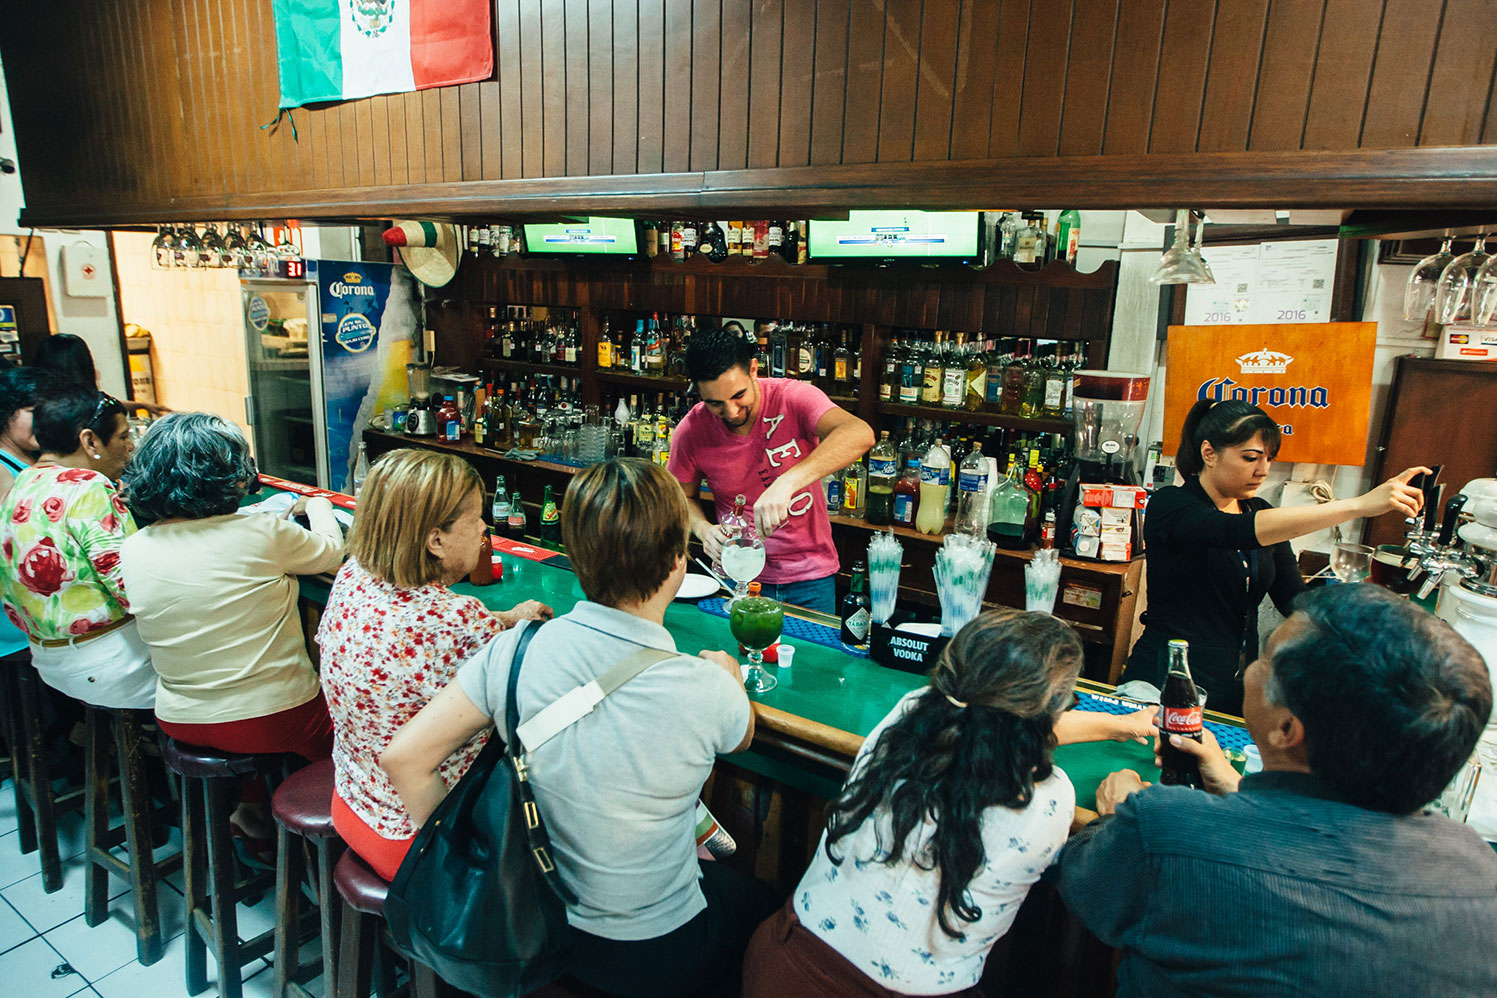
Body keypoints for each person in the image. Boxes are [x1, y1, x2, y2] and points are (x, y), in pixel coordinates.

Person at [383, 458, 775, 997]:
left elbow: (404, 759)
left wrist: (476, 867)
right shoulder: (703, 688)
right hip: (654, 951)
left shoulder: (514, 650)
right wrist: (728, 677)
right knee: (770, 912)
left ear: (574, 556)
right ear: (679, 561)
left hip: (537, 926)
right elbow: (744, 734)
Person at [1058, 584, 1497, 997]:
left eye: (1264, 657)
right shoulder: (1480, 868)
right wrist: (1238, 788)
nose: (1251, 667)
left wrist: (1118, 811)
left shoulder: (1163, 831)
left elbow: (1083, 888)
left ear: (1287, 729)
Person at [743, 610, 1083, 998]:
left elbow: (990, 721)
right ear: (1050, 711)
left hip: (784, 964)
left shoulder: (911, 713)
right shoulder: (1051, 797)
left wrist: (1120, 725)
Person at [317, 449, 551, 881]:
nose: (485, 529)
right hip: (419, 837)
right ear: (436, 540)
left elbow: (428, 636)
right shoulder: (454, 620)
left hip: (352, 804)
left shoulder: (355, 575)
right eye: (477, 519)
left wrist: (504, 618)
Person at [1122, 398, 1427, 715]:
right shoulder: (1171, 505)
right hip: (1166, 680)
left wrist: (1362, 596)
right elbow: (1233, 531)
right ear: (1208, 453)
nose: (1263, 470)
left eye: (1269, 459)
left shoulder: (1260, 512)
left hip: (1234, 686)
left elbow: (1295, 601)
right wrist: (1359, 505)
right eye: (1251, 458)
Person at [119, 412, 345, 760]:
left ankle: (248, 807)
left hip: (178, 719)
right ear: (229, 475)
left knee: (244, 742)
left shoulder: (133, 546)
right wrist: (317, 504)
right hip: (271, 718)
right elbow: (331, 553)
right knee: (348, 736)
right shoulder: (261, 534)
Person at [668, 325, 875, 613]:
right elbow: (680, 495)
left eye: (738, 395)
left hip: (809, 575)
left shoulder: (792, 397)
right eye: (715, 403)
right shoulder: (692, 430)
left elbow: (860, 433)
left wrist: (787, 482)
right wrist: (703, 529)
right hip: (739, 575)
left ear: (753, 369)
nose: (731, 412)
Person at [0, 384, 155, 707]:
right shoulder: (89, 486)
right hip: (111, 665)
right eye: (124, 436)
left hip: (49, 659)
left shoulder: (22, 482)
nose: (130, 447)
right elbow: (132, 590)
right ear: (89, 440)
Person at [33, 332, 170, 417]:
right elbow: (103, 403)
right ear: (83, 366)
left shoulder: (36, 400)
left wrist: (142, 405)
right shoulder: (84, 406)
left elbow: (105, 402)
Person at [0, 366, 53, 501]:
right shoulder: (2, 470)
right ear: (7, 412)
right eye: (35, 413)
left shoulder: (39, 454)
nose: (45, 421)